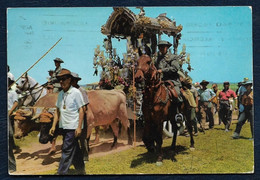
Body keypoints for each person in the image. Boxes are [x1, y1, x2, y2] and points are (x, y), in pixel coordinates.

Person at [49, 68, 86, 175]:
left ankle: (61, 173)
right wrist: (53, 126)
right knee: (75, 149)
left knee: (66, 149)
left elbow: (81, 110)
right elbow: (57, 111)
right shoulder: (60, 94)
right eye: (59, 80)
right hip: (63, 126)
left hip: (73, 127)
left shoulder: (76, 92)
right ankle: (80, 169)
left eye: (64, 79)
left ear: (69, 80)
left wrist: (79, 127)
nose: (61, 82)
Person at [71, 72, 89, 161]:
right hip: (71, 119)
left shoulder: (82, 91)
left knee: (82, 138)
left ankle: (85, 156)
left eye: (72, 80)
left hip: (81, 118)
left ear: (75, 81)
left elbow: (85, 107)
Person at [8, 77, 18, 173]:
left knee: (9, 135)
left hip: (9, 113)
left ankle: (12, 166)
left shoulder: (13, 93)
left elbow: (16, 103)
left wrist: (10, 112)